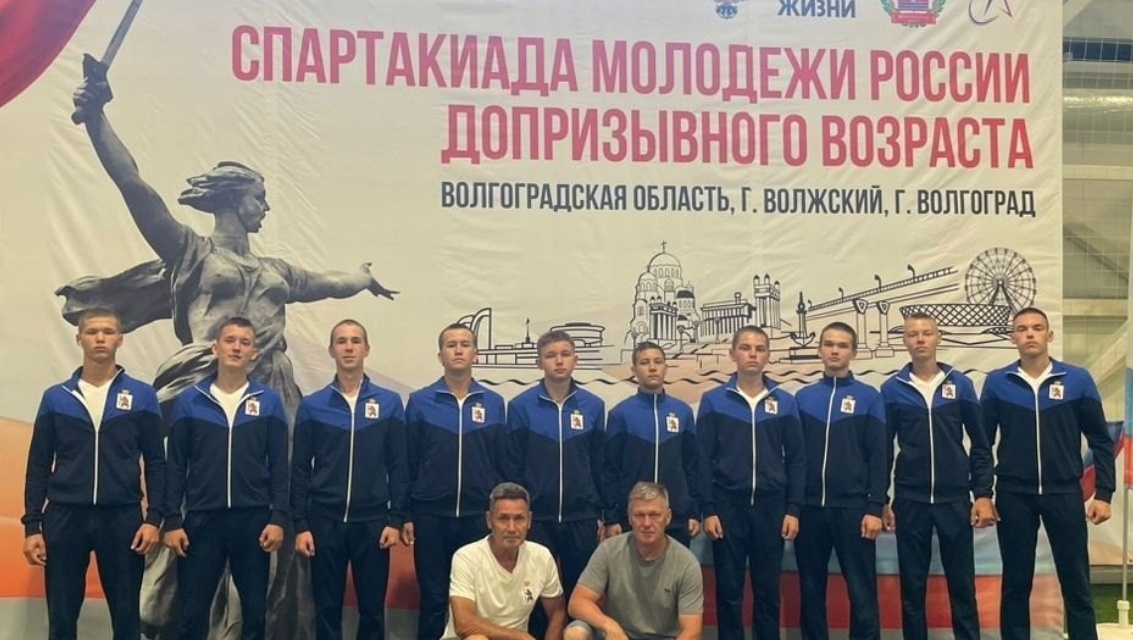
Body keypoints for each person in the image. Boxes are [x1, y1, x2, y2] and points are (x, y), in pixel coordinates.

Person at [70, 67, 397, 639]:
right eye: (259, 197)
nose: (264, 207)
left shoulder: (276, 270)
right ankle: (172, 609)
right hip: (206, 387)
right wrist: (97, 118)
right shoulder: (192, 252)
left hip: (273, 390)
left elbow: (327, 283)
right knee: (201, 496)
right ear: (234, 199)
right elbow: (135, 187)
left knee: (274, 501)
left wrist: (361, 277)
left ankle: (262, 620)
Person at [22, 307, 166, 640]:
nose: (100, 338)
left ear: (120, 339)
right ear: (79, 339)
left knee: (127, 621)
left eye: (108, 332)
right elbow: (39, 464)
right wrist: (32, 525)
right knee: (61, 619)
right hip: (64, 516)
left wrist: (153, 518)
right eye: (92, 332)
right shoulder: (56, 397)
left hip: (122, 517)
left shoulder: (142, 396)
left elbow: (157, 462)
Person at [981, 307, 1115, 640]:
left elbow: (1100, 439)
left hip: (1064, 493)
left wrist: (1104, 493)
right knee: (1016, 583)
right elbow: (982, 443)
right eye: (1022, 328)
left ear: (1049, 335)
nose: (1030, 333)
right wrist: (982, 494)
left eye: (1037, 327)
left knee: (1076, 582)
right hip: (1014, 495)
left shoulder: (1077, 380)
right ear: (1012, 337)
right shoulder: (998, 382)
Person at [163, 317, 290, 640]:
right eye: (230, 340)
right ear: (215, 348)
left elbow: (279, 465)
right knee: (192, 615)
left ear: (254, 353)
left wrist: (278, 517)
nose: (236, 347)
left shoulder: (269, 402)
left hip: (254, 520)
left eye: (244, 342)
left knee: (254, 616)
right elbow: (175, 465)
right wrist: (172, 520)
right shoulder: (190, 400)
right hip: (202, 520)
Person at [880, 313, 995, 640]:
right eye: (913, 334)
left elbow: (981, 444)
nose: (920, 339)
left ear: (938, 337)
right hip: (910, 500)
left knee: (962, 585)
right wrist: (881, 500)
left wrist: (982, 494)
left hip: (954, 500)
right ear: (905, 340)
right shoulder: (892, 389)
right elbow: (882, 450)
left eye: (926, 333)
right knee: (912, 588)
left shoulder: (961, 385)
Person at [291, 319, 408, 640]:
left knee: (372, 610)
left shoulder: (389, 403)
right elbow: (299, 469)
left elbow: (399, 466)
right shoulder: (313, 405)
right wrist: (300, 524)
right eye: (341, 341)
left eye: (356, 341)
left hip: (373, 523)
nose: (348, 347)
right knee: (326, 608)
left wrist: (396, 519)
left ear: (366, 349)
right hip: (324, 521)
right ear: (331, 350)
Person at [696, 326, 805, 640]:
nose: (752, 354)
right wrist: (708, 510)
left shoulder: (785, 402)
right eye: (745, 348)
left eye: (759, 348)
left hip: (772, 508)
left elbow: (797, 460)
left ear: (768, 355)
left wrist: (793, 509)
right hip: (727, 508)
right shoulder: (714, 401)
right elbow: (702, 459)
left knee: (767, 590)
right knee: (729, 591)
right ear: (733, 354)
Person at [403, 323, 507, 640]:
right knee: (434, 599)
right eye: (451, 345)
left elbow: (501, 464)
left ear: (476, 353)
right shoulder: (420, 401)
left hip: (477, 517)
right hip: (430, 515)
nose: (458, 350)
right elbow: (409, 461)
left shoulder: (494, 403)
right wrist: (406, 513)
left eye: (464, 344)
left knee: (477, 602)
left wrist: (497, 513)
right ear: (441, 355)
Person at [505, 330, 607, 639]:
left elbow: (599, 465)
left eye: (565, 354)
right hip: (538, 520)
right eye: (551, 355)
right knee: (536, 598)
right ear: (539, 362)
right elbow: (512, 468)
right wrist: (521, 515)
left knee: (581, 598)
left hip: (581, 518)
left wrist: (603, 513)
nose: (559, 361)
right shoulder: (521, 406)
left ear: (576, 359)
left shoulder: (594, 406)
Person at [794, 321, 887, 640]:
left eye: (843, 345)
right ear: (820, 349)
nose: (835, 350)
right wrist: (793, 506)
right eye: (829, 344)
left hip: (854, 510)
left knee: (862, 592)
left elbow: (879, 456)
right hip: (809, 509)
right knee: (810, 590)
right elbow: (793, 458)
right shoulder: (802, 398)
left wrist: (875, 507)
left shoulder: (869, 397)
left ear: (854, 352)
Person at [565, 482, 704, 640]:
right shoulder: (608, 550)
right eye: (639, 515)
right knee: (575, 633)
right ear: (630, 518)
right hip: (618, 636)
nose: (646, 523)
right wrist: (608, 625)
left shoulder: (687, 563)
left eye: (654, 515)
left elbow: (692, 632)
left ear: (668, 517)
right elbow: (577, 602)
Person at [604, 342, 700, 546]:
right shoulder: (620, 414)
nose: (652, 367)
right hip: (633, 518)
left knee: (676, 567)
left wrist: (694, 512)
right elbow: (610, 470)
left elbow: (692, 466)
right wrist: (611, 517)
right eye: (645, 362)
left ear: (666, 367)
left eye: (658, 361)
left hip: (676, 516)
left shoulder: (683, 412)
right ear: (634, 370)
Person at [443, 482, 566, 640]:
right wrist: (518, 636)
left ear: (529, 520)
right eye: (503, 519)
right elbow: (464, 624)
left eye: (519, 519)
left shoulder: (542, 556)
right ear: (489, 520)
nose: (512, 528)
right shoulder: (466, 557)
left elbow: (557, 611)